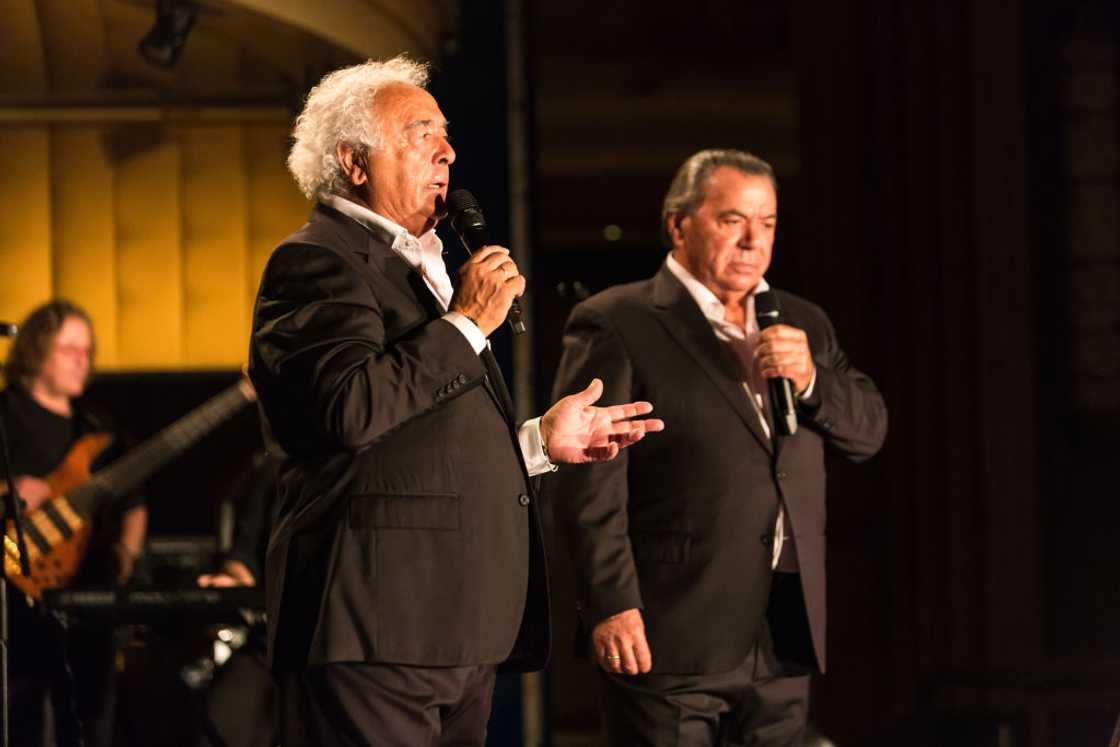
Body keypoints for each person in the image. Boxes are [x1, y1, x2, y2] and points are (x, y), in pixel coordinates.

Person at [248, 55, 663, 746]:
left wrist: (535, 441)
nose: (448, 150)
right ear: (354, 162)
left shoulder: (423, 267)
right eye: (420, 132)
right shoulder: (316, 260)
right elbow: (347, 411)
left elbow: (417, 443)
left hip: (455, 632)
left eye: (443, 131)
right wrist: (467, 323)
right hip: (374, 631)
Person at [550, 149, 888, 745]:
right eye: (733, 220)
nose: (753, 241)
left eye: (769, 224)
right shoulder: (616, 320)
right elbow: (589, 484)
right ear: (680, 224)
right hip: (669, 629)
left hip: (783, 628)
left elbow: (868, 433)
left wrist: (810, 381)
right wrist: (610, 603)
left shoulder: (802, 321)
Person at [1, 299, 148, 747]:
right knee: (21, 710)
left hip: (89, 596)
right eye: (70, 349)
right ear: (37, 350)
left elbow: (133, 504)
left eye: (88, 350)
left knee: (90, 714)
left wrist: (127, 550)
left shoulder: (97, 426)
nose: (82, 359)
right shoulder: (5, 415)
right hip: (15, 595)